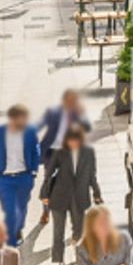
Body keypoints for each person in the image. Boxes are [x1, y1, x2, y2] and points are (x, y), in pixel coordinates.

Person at [41, 123, 102, 265]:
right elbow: (49, 173)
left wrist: (97, 193)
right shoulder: (60, 152)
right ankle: (59, 263)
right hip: (59, 196)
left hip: (80, 196)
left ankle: (76, 247)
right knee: (58, 233)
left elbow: (92, 174)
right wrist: (44, 194)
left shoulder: (88, 152)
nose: (72, 143)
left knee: (79, 229)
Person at [0, 105, 41, 249]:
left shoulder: (30, 132)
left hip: (24, 177)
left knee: (21, 208)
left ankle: (18, 229)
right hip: (4, 179)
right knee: (10, 211)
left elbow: (36, 151)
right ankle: (11, 246)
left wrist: (33, 171)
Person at [35, 88, 90, 227]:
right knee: (48, 182)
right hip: (52, 152)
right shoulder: (53, 113)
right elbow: (38, 125)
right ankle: (46, 211)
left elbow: (87, 128)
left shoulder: (77, 114)